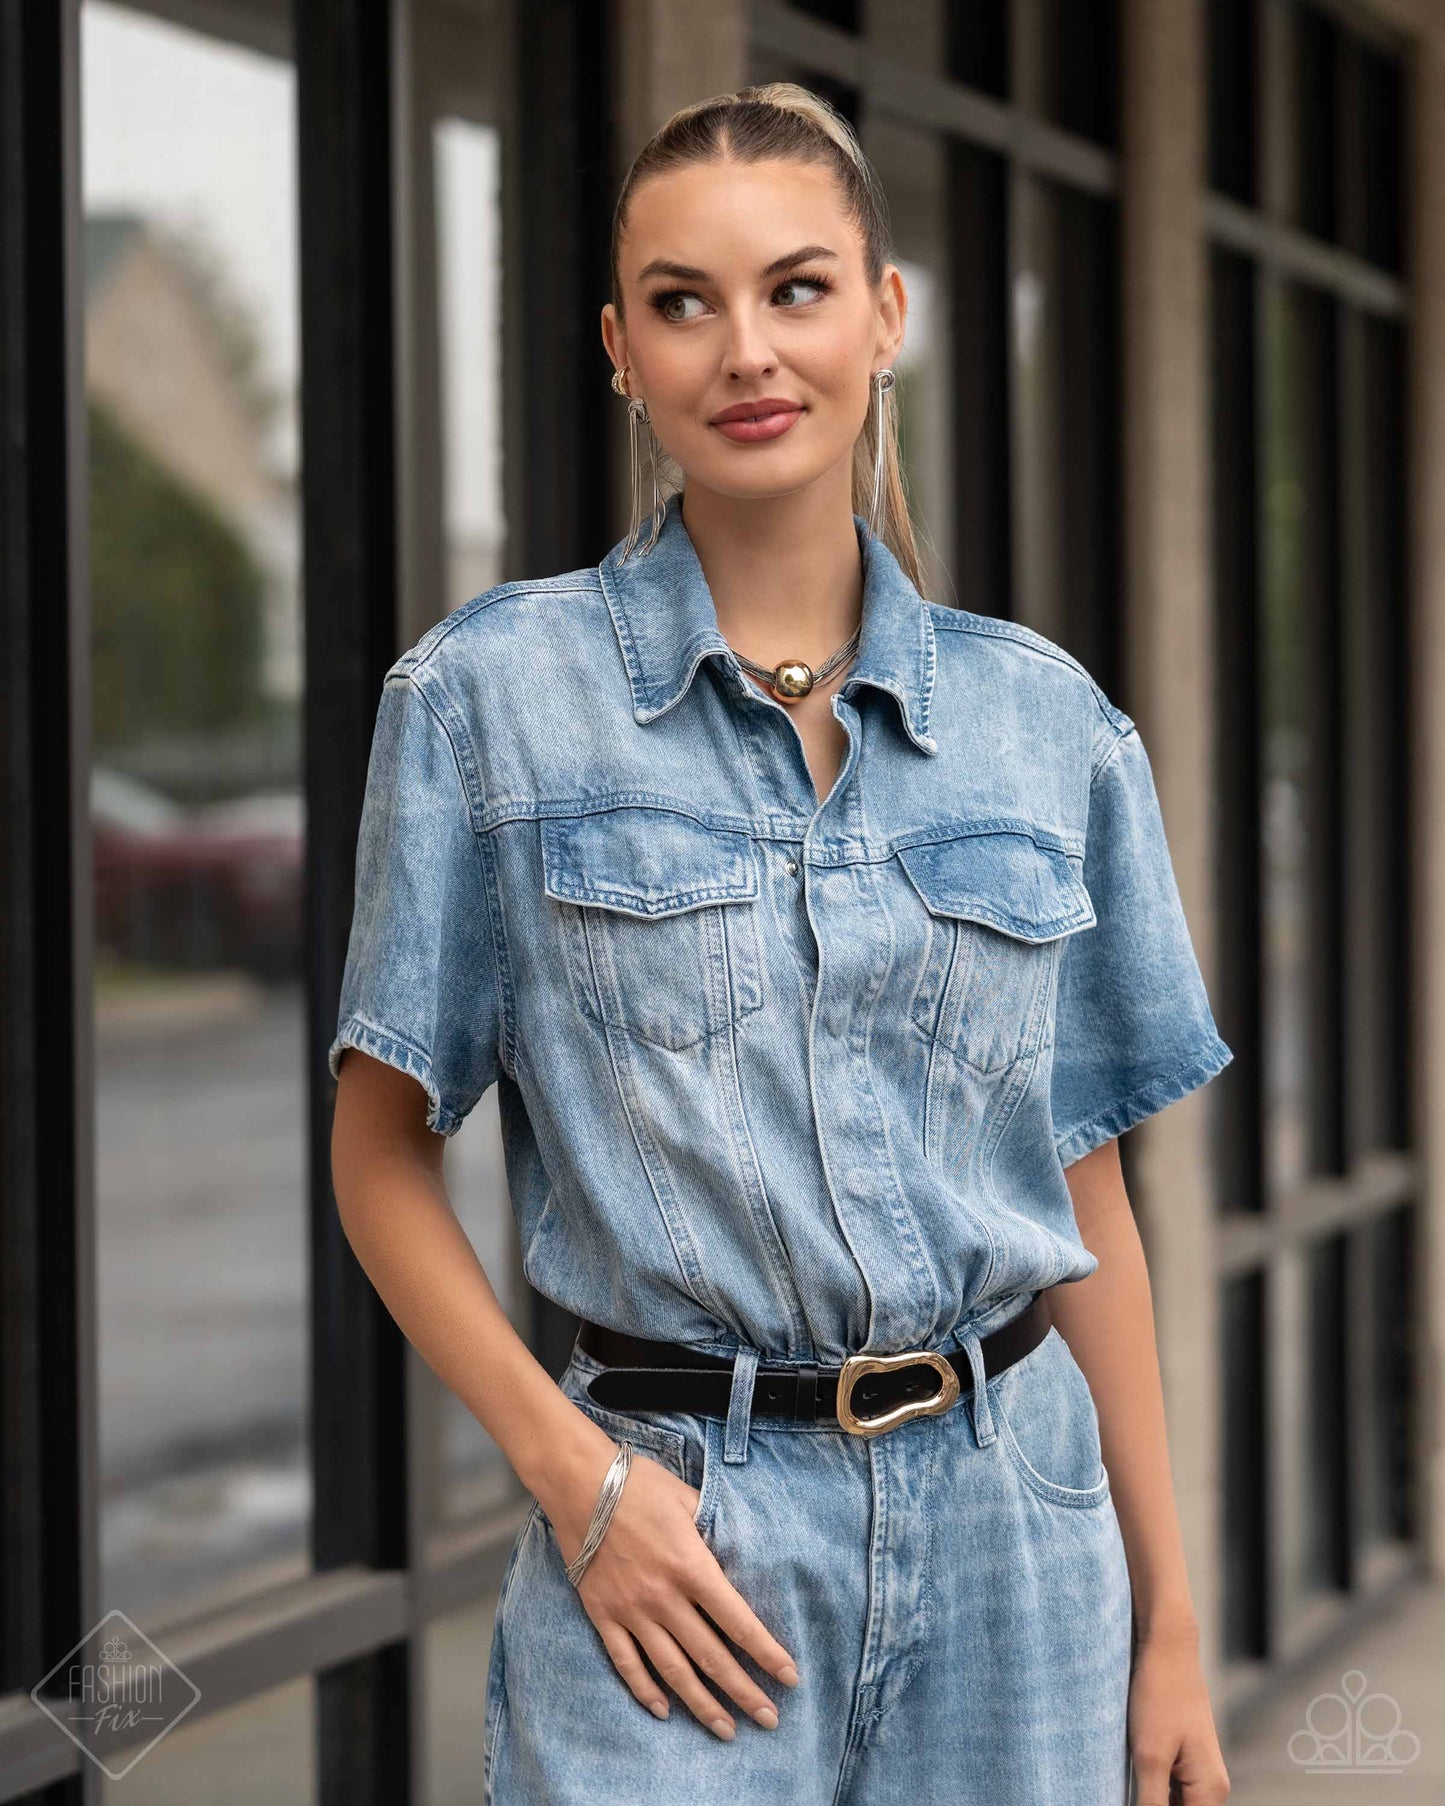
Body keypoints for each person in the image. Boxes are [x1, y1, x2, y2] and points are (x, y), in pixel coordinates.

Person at [328, 81, 1235, 1806]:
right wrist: (573, 1478)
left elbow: (1083, 1196)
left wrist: (1169, 1611)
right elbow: (380, 1159)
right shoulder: (485, 705)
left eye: (797, 289)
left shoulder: (1049, 730)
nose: (745, 350)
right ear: (619, 348)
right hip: (680, 1540)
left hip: (1016, 1544)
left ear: (885, 317)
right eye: (684, 302)